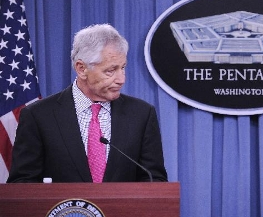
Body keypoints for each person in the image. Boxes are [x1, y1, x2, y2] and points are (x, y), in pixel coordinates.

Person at [7, 24, 168, 183]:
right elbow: (22, 183)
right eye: (110, 71)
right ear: (82, 69)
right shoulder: (38, 116)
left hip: (122, 210)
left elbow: (154, 180)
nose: (121, 79)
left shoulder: (141, 114)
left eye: (123, 68)